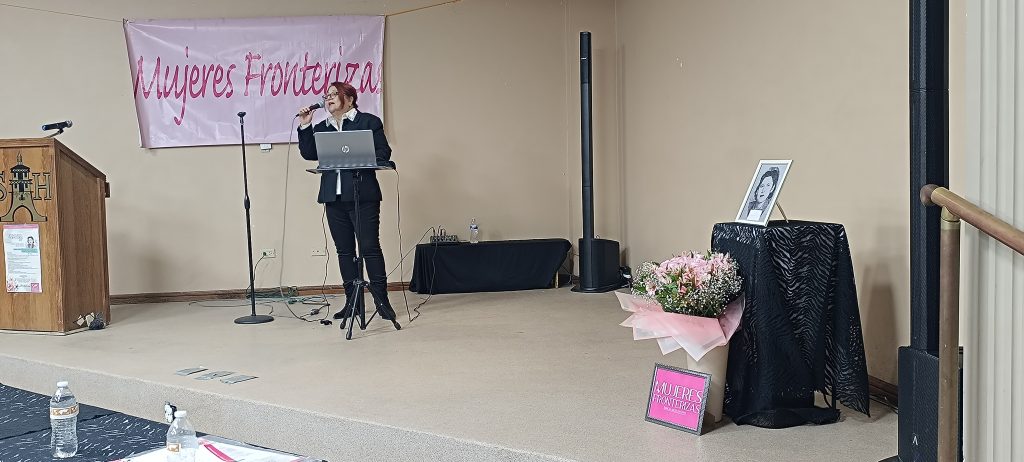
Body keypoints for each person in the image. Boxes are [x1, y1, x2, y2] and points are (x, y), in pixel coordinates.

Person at [297, 81, 400, 331]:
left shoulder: (368, 122)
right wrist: (306, 125)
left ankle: (382, 301)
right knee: (344, 251)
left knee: (369, 248)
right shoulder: (322, 127)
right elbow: (309, 153)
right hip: (333, 198)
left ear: (350, 99)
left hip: (363, 196)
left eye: (334, 94)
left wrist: (358, 157)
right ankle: (352, 301)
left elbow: (383, 152)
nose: (328, 98)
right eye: (327, 95)